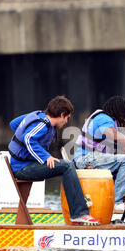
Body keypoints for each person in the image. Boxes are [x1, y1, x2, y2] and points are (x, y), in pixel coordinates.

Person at [8, 95, 100, 225]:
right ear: (62, 115)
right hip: (23, 168)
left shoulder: (37, 115)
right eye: (67, 118)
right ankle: (79, 214)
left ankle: (77, 212)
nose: (67, 122)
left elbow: (14, 124)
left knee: (67, 165)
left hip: (25, 164)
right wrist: (46, 157)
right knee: (67, 165)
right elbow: (27, 138)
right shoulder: (43, 124)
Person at [73, 96, 125, 210]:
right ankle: (116, 203)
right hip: (85, 159)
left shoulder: (110, 123)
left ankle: (114, 203)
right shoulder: (103, 118)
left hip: (94, 158)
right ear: (119, 111)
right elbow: (116, 137)